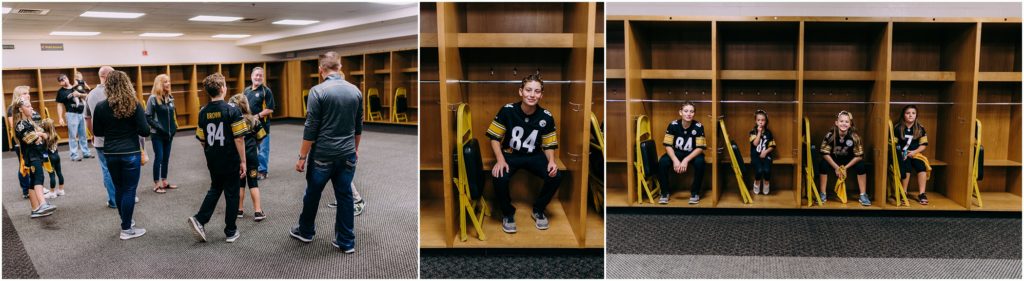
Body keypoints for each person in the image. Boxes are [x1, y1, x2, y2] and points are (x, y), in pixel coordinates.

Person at [290, 51, 362, 253]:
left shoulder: (317, 91)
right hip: (347, 154)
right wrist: (354, 150)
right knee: (345, 196)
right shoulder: (355, 90)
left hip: (323, 155)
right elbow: (358, 126)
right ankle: (346, 242)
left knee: (312, 194)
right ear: (340, 68)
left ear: (321, 70)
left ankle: (306, 231)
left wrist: (302, 157)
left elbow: (311, 128)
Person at [487, 74, 562, 233]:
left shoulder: (546, 117)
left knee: (555, 175)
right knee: (498, 176)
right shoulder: (507, 110)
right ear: (521, 91)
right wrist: (500, 160)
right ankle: (508, 213)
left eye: (537, 91)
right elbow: (494, 138)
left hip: (534, 155)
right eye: (528, 90)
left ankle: (538, 209)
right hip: (510, 154)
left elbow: (549, 145)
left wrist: (551, 161)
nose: (532, 95)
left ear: (541, 95)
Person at [187, 73, 247, 243]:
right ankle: (230, 230)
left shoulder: (203, 112)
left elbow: (202, 139)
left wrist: (211, 152)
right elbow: (239, 138)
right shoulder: (232, 110)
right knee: (232, 193)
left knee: (215, 188)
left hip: (213, 158)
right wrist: (243, 161)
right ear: (222, 89)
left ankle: (200, 219)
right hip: (230, 158)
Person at [92, 70, 150, 240]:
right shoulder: (134, 104)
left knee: (119, 189)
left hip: (110, 153)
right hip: (130, 153)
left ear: (108, 86)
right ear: (127, 84)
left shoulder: (101, 106)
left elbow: (97, 132)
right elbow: (145, 131)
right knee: (130, 190)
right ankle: (126, 229)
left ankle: (126, 222)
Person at [11, 88, 57, 218]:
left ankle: (35, 208)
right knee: (38, 178)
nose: (31, 109)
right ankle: (42, 204)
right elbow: (33, 138)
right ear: (21, 109)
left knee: (32, 183)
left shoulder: (29, 123)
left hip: (37, 155)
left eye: (31, 106)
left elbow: (46, 136)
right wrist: (40, 134)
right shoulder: (20, 124)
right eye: (28, 107)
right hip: (31, 157)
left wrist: (40, 134)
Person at [85, 66, 123, 208]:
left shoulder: (91, 94)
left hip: (100, 139)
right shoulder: (119, 92)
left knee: (107, 169)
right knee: (122, 167)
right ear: (111, 75)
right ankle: (126, 196)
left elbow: (87, 118)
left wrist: (93, 134)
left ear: (100, 76)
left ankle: (113, 200)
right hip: (120, 139)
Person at [656, 102, 707, 205]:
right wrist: (675, 160)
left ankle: (695, 193)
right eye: (686, 111)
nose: (689, 114)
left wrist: (685, 160)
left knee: (700, 163)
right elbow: (668, 145)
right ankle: (665, 192)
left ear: (694, 114)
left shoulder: (698, 126)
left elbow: (700, 148)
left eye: (692, 111)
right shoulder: (673, 125)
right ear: (680, 112)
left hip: (693, 153)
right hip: (677, 152)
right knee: (662, 162)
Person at [228, 93, 268, 221]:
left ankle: (239, 210)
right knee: (253, 183)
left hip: (237, 158)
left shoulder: (232, 121)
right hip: (251, 157)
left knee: (240, 184)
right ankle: (257, 211)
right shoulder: (253, 120)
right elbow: (261, 137)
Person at [818, 110, 870, 206]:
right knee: (823, 164)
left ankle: (863, 195)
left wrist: (845, 168)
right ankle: (822, 193)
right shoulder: (830, 135)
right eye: (841, 121)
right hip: (834, 161)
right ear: (836, 123)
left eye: (846, 122)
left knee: (861, 165)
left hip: (849, 161)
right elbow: (824, 153)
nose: (844, 124)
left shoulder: (855, 137)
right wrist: (837, 168)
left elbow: (859, 156)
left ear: (850, 124)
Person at [146, 74, 178, 193]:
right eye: (165, 82)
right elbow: (148, 117)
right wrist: (159, 128)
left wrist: (174, 128)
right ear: (159, 83)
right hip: (157, 134)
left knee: (166, 158)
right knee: (159, 158)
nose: (168, 84)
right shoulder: (153, 98)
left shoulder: (170, 97)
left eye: (169, 81)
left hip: (169, 135)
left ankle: (164, 181)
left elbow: (172, 116)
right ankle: (157, 183)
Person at [894, 105, 930, 205]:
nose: (910, 115)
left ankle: (922, 193)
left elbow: (923, 145)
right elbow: (894, 145)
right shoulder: (898, 128)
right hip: (902, 154)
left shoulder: (920, 128)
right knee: (906, 167)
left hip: (915, 154)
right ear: (903, 115)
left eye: (913, 113)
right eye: (908, 113)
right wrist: (902, 153)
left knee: (921, 166)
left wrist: (914, 152)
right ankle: (904, 192)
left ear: (916, 115)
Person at [244, 67, 275, 180]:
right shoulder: (246, 91)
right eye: (256, 75)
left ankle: (263, 171)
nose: (258, 77)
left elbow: (270, 109)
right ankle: (252, 170)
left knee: (262, 150)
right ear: (251, 76)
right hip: (248, 127)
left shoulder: (266, 91)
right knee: (250, 150)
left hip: (262, 127)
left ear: (263, 77)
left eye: (260, 75)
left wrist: (256, 116)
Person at [55, 73, 93, 161]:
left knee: (83, 135)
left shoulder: (76, 87)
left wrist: (79, 95)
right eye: (61, 80)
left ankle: (86, 153)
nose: (64, 81)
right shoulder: (61, 92)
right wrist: (60, 118)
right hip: (71, 114)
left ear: (68, 78)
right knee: (72, 136)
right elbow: (59, 105)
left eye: (64, 79)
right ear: (59, 83)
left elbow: (87, 95)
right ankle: (74, 155)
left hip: (82, 113)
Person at [8, 88, 34, 199]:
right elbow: (13, 125)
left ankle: (33, 186)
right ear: (18, 95)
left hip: (29, 139)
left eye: (28, 93)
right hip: (20, 141)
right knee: (23, 165)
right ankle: (26, 189)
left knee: (31, 164)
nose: (28, 95)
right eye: (24, 93)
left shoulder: (27, 107)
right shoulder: (12, 109)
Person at [749, 109, 776, 195]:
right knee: (759, 170)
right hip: (755, 155)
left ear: (766, 121)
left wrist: (766, 152)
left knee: (767, 170)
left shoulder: (768, 133)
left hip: (766, 155)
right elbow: (755, 143)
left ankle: (766, 183)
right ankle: (757, 183)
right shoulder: (753, 132)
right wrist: (759, 132)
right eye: (758, 120)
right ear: (755, 121)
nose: (761, 122)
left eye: (763, 120)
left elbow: (772, 146)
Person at [40, 118, 65, 198]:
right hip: (57, 156)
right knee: (59, 173)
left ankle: (52, 192)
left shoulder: (45, 135)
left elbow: (39, 136)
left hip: (49, 158)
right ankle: (61, 190)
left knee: (52, 175)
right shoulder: (55, 134)